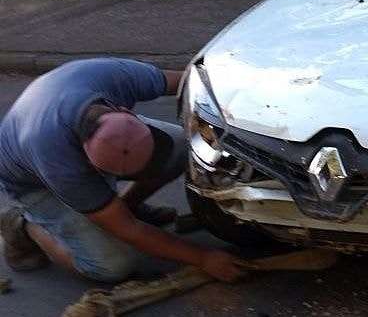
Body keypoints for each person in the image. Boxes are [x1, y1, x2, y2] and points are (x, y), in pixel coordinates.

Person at [0, 58, 243, 283]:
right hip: (31, 182)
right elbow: (128, 230)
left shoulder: (111, 76)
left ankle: (128, 205)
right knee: (113, 265)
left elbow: (191, 82)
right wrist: (203, 258)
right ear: (91, 166)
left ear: (125, 113)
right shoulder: (62, 165)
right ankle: (23, 225)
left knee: (184, 146)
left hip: (65, 120)